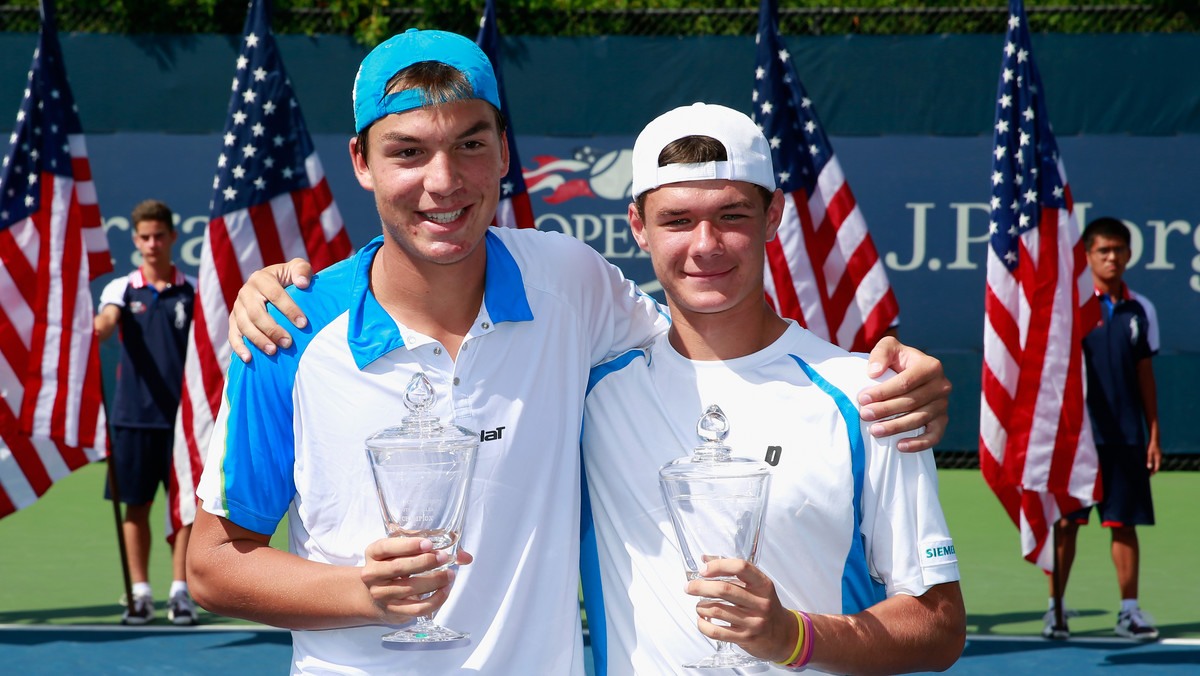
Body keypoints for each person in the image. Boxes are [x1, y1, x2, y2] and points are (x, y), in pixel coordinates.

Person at [193, 30, 951, 674]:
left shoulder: (569, 285)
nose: (442, 180)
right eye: (407, 151)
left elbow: (714, 338)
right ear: (361, 162)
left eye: (469, 145)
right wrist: (362, 593)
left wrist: (892, 375)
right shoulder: (287, 330)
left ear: (501, 156)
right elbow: (212, 564)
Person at [580, 103, 965, 674]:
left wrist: (793, 638)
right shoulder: (591, 397)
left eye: (731, 215)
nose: (705, 244)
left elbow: (939, 625)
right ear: (638, 227)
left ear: (773, 215)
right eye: (677, 220)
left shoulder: (868, 395)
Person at [1045, 217, 1161, 641]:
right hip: (1077, 439)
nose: (1112, 258)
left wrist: (1153, 434)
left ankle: (1129, 612)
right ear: (1089, 256)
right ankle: (1055, 609)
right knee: (1067, 524)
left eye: (1119, 250)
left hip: (1127, 438)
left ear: (1129, 254)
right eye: (1103, 251)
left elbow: (1145, 375)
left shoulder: (1141, 309)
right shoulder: (1070, 308)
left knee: (1123, 524)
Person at [94, 199, 198, 626]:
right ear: (135, 241)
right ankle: (139, 595)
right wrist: (93, 327)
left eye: (159, 236)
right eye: (144, 237)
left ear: (173, 238)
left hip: (186, 424)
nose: (152, 244)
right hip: (133, 419)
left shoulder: (193, 290)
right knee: (134, 508)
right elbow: (105, 324)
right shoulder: (120, 290)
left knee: (186, 510)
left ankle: (180, 593)